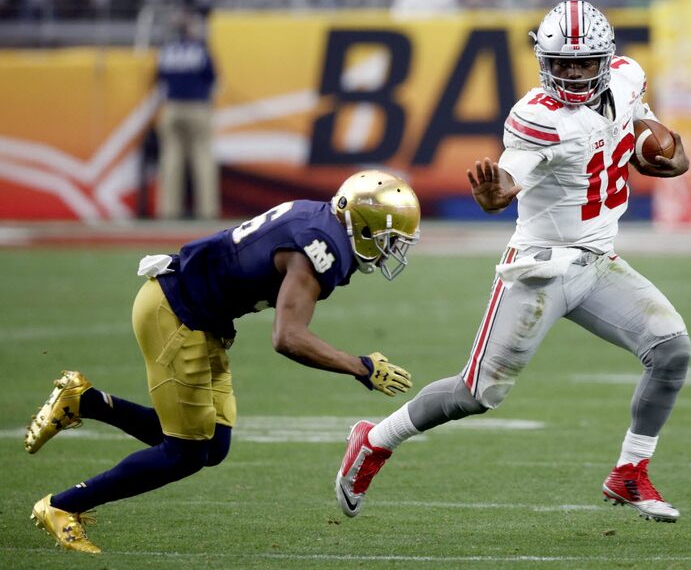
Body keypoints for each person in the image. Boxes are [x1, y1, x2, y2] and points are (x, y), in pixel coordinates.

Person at [335, 0, 691, 523]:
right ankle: (375, 440)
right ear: (543, 61)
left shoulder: (627, 78)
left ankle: (630, 472)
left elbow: (650, 132)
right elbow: (506, 182)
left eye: (583, 63)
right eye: (561, 63)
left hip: (598, 261)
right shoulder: (535, 118)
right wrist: (494, 194)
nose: (571, 73)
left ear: (606, 60)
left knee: (672, 349)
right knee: (477, 393)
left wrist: (668, 154)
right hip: (539, 268)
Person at [24, 170, 421, 553]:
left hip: (200, 316)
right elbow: (288, 337)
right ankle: (63, 506)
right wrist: (361, 367)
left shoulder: (321, 220)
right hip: (176, 313)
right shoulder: (322, 247)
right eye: (390, 238)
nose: (394, 249)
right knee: (184, 453)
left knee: (212, 445)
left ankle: (84, 401)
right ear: (364, 228)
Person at [156, 11, 219, 220]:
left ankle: (168, 211)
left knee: (171, 161)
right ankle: (207, 211)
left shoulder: (167, 50)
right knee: (203, 160)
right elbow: (213, 79)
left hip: (172, 107)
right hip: (198, 108)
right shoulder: (200, 49)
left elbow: (160, 79)